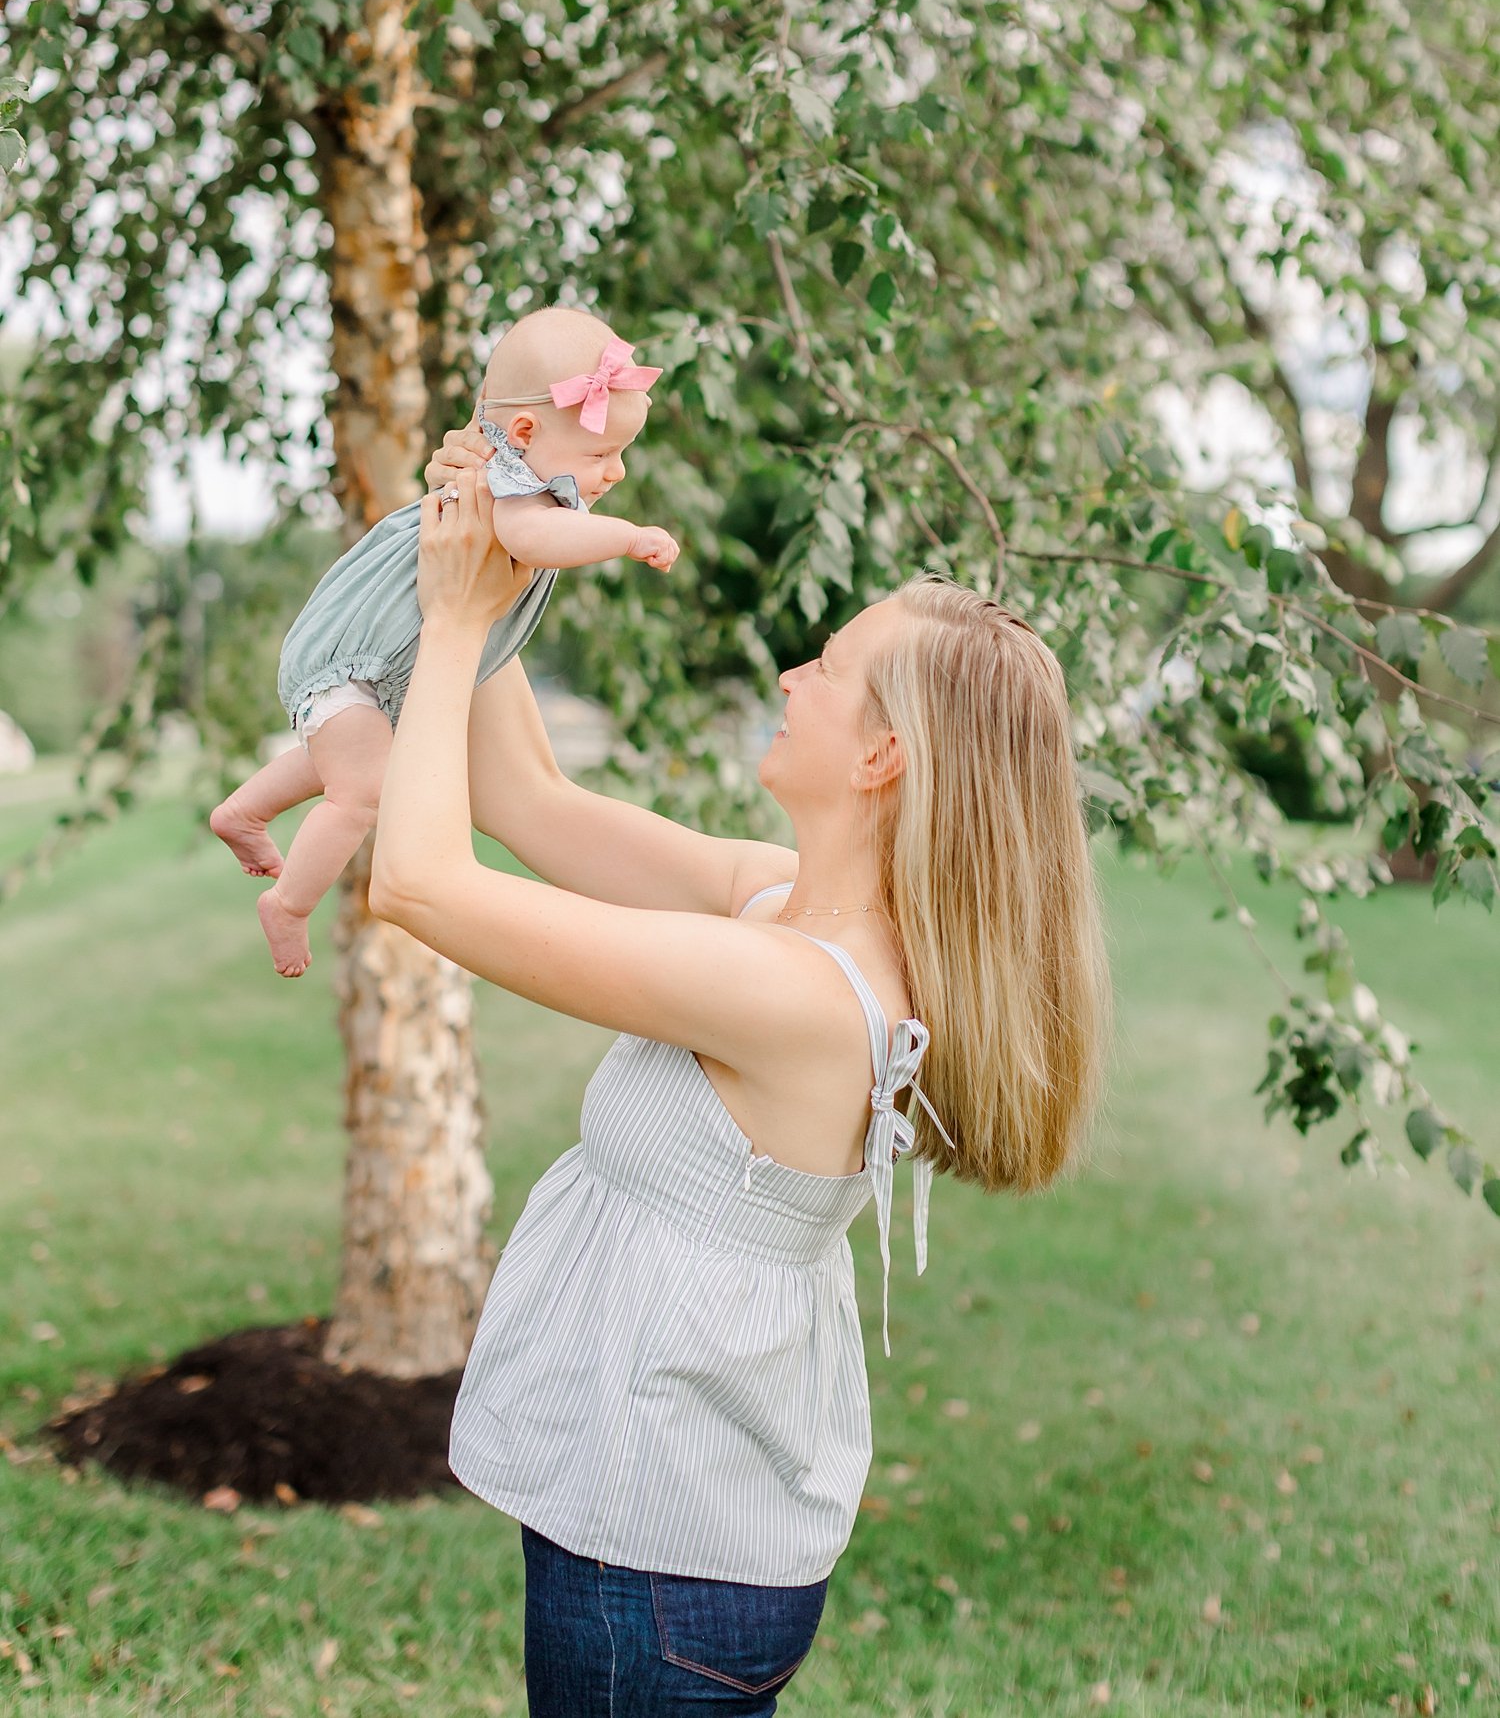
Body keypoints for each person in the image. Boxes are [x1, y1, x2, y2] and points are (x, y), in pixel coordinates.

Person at [369, 430, 1111, 1717]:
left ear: (882, 757)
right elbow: (530, 799)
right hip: (675, 1540)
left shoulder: (792, 995)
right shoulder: (781, 910)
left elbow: (421, 883)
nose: (790, 673)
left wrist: (448, 625)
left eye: (827, 667)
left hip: (654, 1571)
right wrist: (501, 531)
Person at [209, 306, 677, 978]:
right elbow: (537, 541)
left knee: (350, 753)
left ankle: (243, 811)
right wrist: (628, 538)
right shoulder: (513, 491)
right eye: (604, 453)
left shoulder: (515, 467)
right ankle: (287, 903)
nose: (618, 472)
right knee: (363, 793)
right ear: (523, 431)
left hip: (356, 672)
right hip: (356, 664)